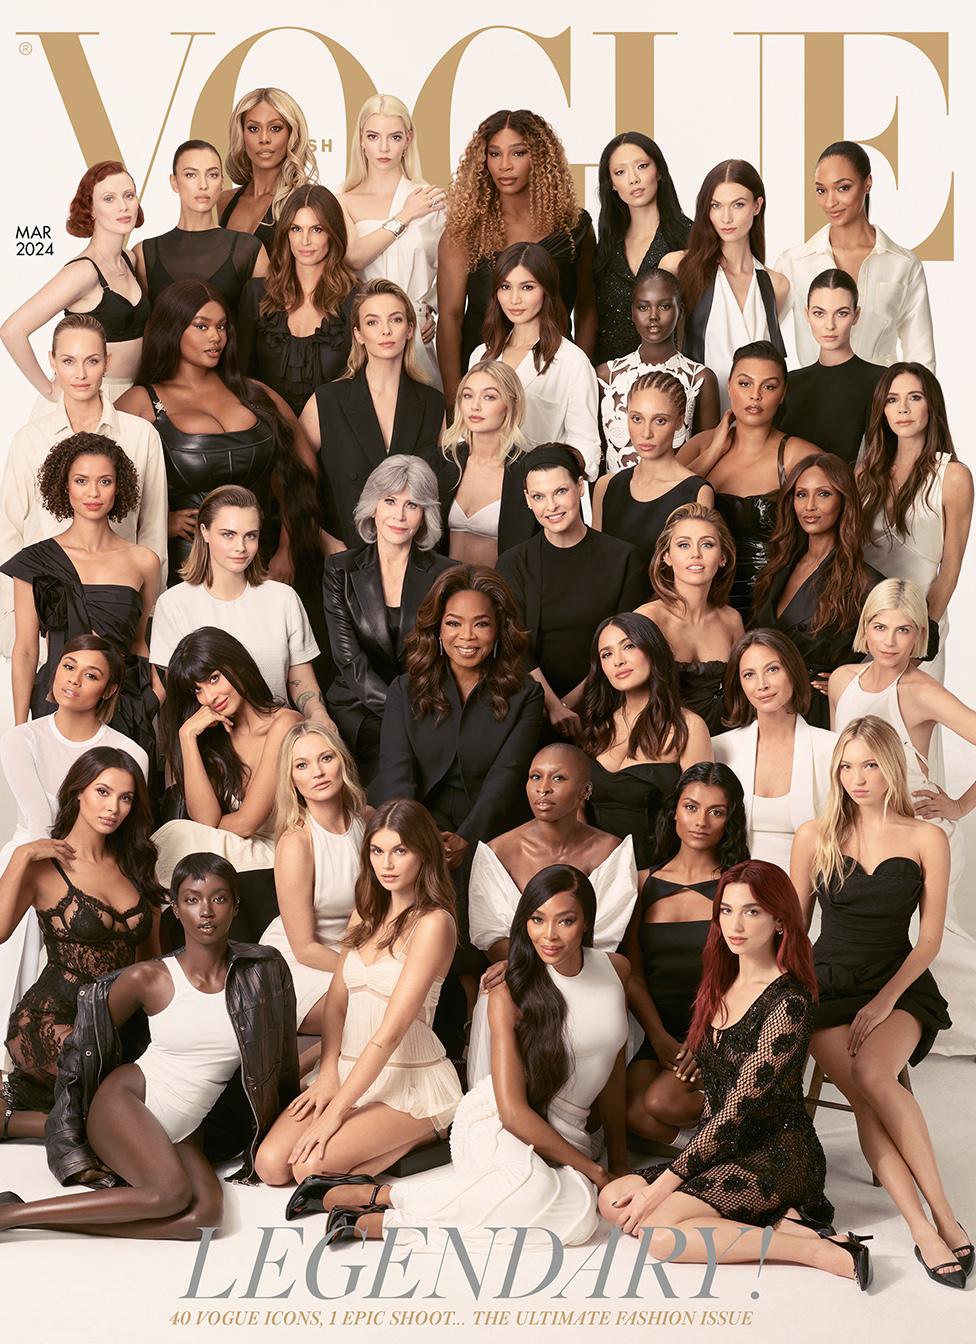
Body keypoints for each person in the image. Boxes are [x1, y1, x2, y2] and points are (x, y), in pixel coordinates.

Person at [297, 865, 630, 1254]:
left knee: (577, 1211)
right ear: (524, 922)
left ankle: (366, 1197)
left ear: (586, 921)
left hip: (567, 1133)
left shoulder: (615, 970)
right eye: (537, 920)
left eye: (566, 921)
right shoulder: (509, 989)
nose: (550, 935)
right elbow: (512, 1113)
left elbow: (613, 1067)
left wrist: (619, 1160)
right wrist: (595, 1171)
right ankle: (382, 1214)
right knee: (544, 1193)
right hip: (498, 1122)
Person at [601, 861, 872, 1291]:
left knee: (659, 1235)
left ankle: (817, 1249)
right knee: (612, 1199)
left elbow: (734, 1111)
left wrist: (667, 1185)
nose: (735, 924)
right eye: (726, 910)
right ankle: (781, 1224)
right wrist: (682, 1178)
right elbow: (712, 1102)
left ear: (780, 920)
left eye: (751, 911)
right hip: (723, 1149)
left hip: (778, 1152)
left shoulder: (789, 1001)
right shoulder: (720, 982)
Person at [1, 853, 299, 1233]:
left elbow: (279, 1059)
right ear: (175, 909)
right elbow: (86, 1042)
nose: (205, 911)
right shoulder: (150, 977)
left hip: (189, 1127)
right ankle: (12, 1216)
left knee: (204, 1221)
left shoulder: (265, 971)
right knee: (168, 1195)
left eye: (218, 898)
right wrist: (68, 1125)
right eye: (191, 899)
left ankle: (64, 1221)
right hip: (129, 1101)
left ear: (235, 905)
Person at [792, 719, 969, 1289]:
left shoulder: (926, 838)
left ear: (890, 766)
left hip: (900, 982)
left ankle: (944, 1213)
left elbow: (930, 940)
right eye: (846, 766)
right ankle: (923, 1227)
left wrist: (884, 1002)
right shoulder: (813, 835)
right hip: (828, 986)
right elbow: (794, 930)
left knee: (873, 1071)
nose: (857, 778)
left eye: (869, 764)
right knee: (869, 1097)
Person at [253, 799, 462, 1188]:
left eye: (400, 851)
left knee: (308, 1169)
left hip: (408, 1079)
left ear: (423, 854)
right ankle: (368, 1142)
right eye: (377, 851)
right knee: (270, 1165)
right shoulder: (364, 911)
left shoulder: (435, 924)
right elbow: (337, 998)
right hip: (348, 1068)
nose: (387, 864)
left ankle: (429, 1128)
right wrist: (328, 1071)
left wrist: (335, 1114)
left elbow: (390, 1033)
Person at [369, 565, 544, 1005]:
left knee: (470, 888)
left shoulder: (526, 694)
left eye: (481, 623)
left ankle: (465, 1018)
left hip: (488, 829)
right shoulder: (405, 689)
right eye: (454, 623)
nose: (467, 636)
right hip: (415, 825)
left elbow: (506, 778)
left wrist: (466, 838)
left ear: (499, 630)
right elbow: (395, 770)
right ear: (437, 630)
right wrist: (417, 840)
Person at [829, 578, 976, 1056]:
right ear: (864, 630)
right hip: (860, 827)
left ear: (920, 636)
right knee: (866, 933)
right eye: (880, 627)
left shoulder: (920, 689)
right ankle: (868, 1025)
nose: (890, 642)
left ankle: (938, 1028)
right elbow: (842, 758)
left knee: (930, 936)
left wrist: (958, 805)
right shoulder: (841, 681)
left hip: (918, 831)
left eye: (904, 629)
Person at [0, 636, 148, 1069]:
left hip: (102, 865)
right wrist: (39, 862)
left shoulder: (130, 752)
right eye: (68, 666)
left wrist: (102, 869)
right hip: (39, 856)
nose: (75, 680)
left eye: (91, 674)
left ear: (108, 689)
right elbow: (44, 821)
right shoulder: (21, 738)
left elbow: (128, 821)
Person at [0, 747, 162, 1138]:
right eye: (102, 792)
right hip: (50, 1020)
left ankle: (38, 1116)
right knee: (109, 1118)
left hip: (118, 1021)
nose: (114, 808)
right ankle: (20, 1121)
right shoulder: (44, 864)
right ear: (78, 791)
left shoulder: (135, 863)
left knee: (153, 1108)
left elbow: (151, 961)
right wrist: (20, 857)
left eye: (125, 798)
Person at [117, 280, 321, 589]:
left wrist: (288, 549)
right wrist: (162, 522)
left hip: (263, 560)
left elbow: (303, 470)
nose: (216, 337)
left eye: (222, 327)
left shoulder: (254, 392)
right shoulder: (140, 403)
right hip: (186, 568)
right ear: (172, 329)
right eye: (202, 326)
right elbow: (102, 485)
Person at [0, 314, 167, 654]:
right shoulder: (29, 440)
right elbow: (8, 533)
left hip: (117, 617)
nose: (80, 374)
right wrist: (16, 617)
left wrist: (144, 619)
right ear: (52, 361)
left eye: (91, 361)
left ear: (107, 362)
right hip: (46, 616)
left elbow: (152, 533)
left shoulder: (140, 435)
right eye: (68, 361)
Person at [1, 433, 161, 757]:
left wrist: (150, 702)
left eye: (104, 481)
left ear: (119, 487)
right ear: (65, 486)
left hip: (124, 708)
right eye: (81, 480)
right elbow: (26, 650)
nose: (93, 493)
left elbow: (140, 643)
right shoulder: (35, 560)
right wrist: (21, 730)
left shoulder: (144, 561)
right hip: (56, 707)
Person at [623, 762, 749, 1144]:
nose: (701, 821)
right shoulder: (643, 882)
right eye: (691, 807)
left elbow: (749, 978)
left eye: (717, 811)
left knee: (662, 1103)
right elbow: (634, 973)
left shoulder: (739, 885)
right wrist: (659, 1037)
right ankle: (710, 1152)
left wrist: (707, 1040)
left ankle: (750, 1118)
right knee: (633, 1114)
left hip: (721, 1030)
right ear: (674, 810)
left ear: (730, 820)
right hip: (660, 1029)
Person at [436, 108, 596, 405]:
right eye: (494, 154)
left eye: (518, 153)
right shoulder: (465, 231)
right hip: (484, 376)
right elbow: (450, 316)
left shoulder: (575, 227)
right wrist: (453, 396)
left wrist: (580, 371)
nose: (504, 166)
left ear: (540, 159)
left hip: (555, 371)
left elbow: (586, 307)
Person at [154, 628, 302, 939]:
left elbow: (247, 822)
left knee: (177, 837)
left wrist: (219, 823)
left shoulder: (285, 723)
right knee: (180, 837)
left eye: (214, 678)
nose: (209, 697)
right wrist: (187, 737)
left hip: (286, 850)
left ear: (239, 665)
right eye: (197, 691)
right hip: (241, 853)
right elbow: (205, 820)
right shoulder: (215, 738)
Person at [323, 455, 456, 784]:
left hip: (425, 704)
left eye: (412, 505)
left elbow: (444, 656)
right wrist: (401, 714)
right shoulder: (340, 569)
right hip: (358, 708)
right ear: (373, 506)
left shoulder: (447, 574)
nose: (399, 515)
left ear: (425, 514)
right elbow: (350, 662)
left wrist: (419, 712)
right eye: (390, 501)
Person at [497, 445, 647, 738]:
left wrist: (571, 704)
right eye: (539, 497)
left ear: (580, 487)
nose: (551, 506)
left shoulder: (624, 558)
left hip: (607, 698)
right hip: (531, 704)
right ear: (528, 500)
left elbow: (627, 645)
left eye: (560, 491)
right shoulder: (512, 563)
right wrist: (553, 707)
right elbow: (516, 647)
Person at [149, 485, 326, 721]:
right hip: (212, 744)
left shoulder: (283, 598)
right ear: (205, 532)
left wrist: (319, 715)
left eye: (250, 535)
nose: (241, 547)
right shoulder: (173, 604)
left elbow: (301, 681)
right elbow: (176, 697)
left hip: (279, 736)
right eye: (228, 534)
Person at [299, 279, 443, 549]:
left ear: (410, 329)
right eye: (373, 322)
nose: (386, 330)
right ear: (359, 334)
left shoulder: (433, 404)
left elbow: (442, 490)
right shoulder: (327, 400)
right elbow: (292, 480)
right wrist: (322, 539)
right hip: (343, 556)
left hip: (413, 562)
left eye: (396, 320)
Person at [678, 342, 815, 615]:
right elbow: (659, 507)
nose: (755, 396)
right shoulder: (700, 447)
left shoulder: (799, 455)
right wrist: (715, 451)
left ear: (783, 393)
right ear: (729, 387)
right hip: (703, 605)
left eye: (769, 386)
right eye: (745, 384)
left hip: (774, 607)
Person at [469, 743, 638, 962]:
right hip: (515, 976)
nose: (543, 788)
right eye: (536, 777)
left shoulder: (611, 853)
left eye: (558, 778)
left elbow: (604, 940)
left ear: (585, 790)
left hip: (586, 976)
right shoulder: (496, 852)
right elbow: (491, 940)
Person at [774, 141, 936, 371]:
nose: (830, 202)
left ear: (867, 183)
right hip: (813, 401)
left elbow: (921, 356)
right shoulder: (793, 263)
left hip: (881, 399)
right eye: (821, 190)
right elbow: (763, 341)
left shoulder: (903, 265)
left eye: (843, 188)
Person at [859, 364, 972, 685]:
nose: (903, 409)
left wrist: (922, 635)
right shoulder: (864, 475)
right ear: (882, 409)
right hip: (866, 624)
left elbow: (950, 567)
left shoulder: (953, 476)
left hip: (920, 623)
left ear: (931, 404)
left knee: (913, 728)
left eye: (915, 397)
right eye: (892, 400)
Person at [752, 453, 883, 728]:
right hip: (765, 709)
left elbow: (920, 643)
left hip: (817, 714)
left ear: (844, 501)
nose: (809, 506)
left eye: (823, 494)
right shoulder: (780, 565)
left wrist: (859, 674)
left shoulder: (864, 581)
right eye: (801, 494)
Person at [1, 162, 149, 405]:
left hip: (132, 397)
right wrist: (49, 391)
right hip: (91, 398)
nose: (123, 206)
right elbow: (12, 330)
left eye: (129, 195)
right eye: (109, 199)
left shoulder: (129, 259)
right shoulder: (83, 271)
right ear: (91, 209)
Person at [578, 613, 713, 869]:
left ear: (652, 649)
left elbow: (700, 819)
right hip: (594, 869)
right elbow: (576, 808)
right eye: (606, 654)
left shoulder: (688, 727)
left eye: (628, 646)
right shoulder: (598, 725)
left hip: (657, 870)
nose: (618, 661)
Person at [259, 724, 365, 1045]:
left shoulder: (366, 821)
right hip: (298, 962)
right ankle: (309, 1075)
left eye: (326, 758)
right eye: (301, 765)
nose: (317, 772)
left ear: (342, 762)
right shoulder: (296, 843)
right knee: (367, 1009)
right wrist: (366, 973)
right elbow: (304, 948)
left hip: (351, 950)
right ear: (291, 779)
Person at [660, 160, 788, 413]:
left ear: (757, 206)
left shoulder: (776, 284)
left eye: (738, 205)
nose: (726, 218)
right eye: (716, 206)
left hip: (758, 427)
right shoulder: (679, 266)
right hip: (696, 420)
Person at [338, 94, 446, 387]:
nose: (383, 148)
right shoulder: (343, 201)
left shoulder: (431, 199)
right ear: (361, 139)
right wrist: (405, 214)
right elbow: (354, 257)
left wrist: (430, 310)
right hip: (364, 334)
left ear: (408, 138)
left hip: (416, 331)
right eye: (374, 136)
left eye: (394, 137)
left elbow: (447, 268)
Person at [468, 243, 601, 482]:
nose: (514, 299)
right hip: (481, 485)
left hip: (540, 491)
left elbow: (586, 446)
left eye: (527, 287)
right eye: (505, 287)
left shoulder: (572, 361)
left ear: (546, 290)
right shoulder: (480, 356)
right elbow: (466, 434)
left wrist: (547, 476)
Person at [713, 630, 836, 871]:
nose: (762, 685)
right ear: (740, 684)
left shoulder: (833, 748)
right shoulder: (719, 748)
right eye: (749, 674)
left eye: (772, 669)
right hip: (735, 890)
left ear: (792, 670)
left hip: (811, 893)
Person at [236, 184, 357, 416]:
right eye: (296, 229)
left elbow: (361, 389)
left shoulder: (356, 301)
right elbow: (242, 377)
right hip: (268, 432)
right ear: (285, 233)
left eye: (317, 229)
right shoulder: (255, 295)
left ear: (333, 233)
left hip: (336, 435)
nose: (305, 241)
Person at [635, 502, 743, 734]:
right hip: (660, 742)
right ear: (667, 557)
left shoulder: (731, 620)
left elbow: (743, 695)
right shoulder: (647, 618)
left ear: (723, 557)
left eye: (707, 544)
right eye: (684, 545)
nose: (696, 554)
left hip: (725, 740)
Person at [598, 268, 720, 472]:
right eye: (643, 307)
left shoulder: (700, 378)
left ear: (679, 310)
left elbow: (708, 455)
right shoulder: (605, 376)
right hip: (615, 499)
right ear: (632, 312)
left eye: (664, 306)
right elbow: (598, 456)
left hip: (677, 500)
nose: (653, 316)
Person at [593, 372, 713, 568]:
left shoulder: (697, 493)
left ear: (679, 421)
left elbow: (696, 572)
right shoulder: (606, 487)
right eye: (637, 419)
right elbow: (596, 564)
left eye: (660, 421)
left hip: (668, 599)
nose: (646, 433)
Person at [133, 140, 267, 315]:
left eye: (212, 175)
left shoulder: (249, 249)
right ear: (174, 182)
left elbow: (269, 328)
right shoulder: (145, 253)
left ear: (221, 183)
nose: (203, 185)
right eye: (191, 175)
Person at [593, 133, 693, 365]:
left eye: (642, 166)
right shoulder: (604, 250)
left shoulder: (690, 238)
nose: (633, 179)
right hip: (609, 384)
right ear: (612, 186)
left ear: (658, 171)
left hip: (669, 382)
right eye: (620, 172)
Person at [774, 268, 884, 465]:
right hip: (790, 491)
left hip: (855, 491)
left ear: (856, 315)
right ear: (807, 314)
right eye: (819, 313)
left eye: (841, 313)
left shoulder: (880, 380)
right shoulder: (789, 382)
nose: (829, 325)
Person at [437, 360, 533, 565]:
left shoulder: (528, 471)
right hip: (442, 589)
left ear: (511, 403)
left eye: (489, 397)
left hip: (500, 591)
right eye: (468, 395)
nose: (475, 406)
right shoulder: (441, 461)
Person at [217, 88, 318, 250]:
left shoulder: (306, 202)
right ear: (241, 134)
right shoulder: (223, 201)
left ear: (292, 134)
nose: (264, 139)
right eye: (253, 129)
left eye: (275, 128)